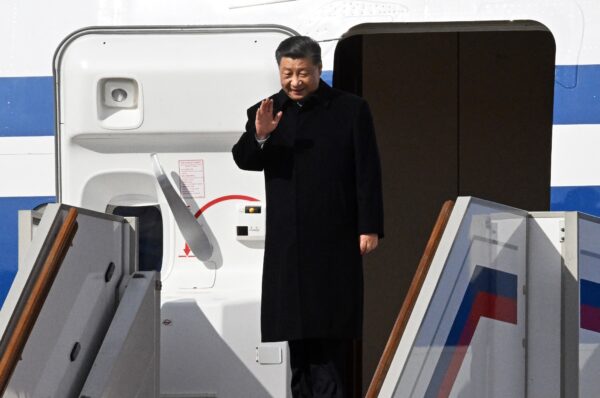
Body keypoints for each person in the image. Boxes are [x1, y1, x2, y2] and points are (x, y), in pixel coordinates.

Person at [232, 36, 384, 397]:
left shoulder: (350, 109)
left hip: (335, 238)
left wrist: (370, 226)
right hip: (290, 243)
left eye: (303, 73)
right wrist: (260, 135)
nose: (295, 81)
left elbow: (368, 170)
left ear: (318, 69)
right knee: (297, 342)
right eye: (288, 73)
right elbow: (244, 159)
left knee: (330, 339)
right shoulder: (267, 110)